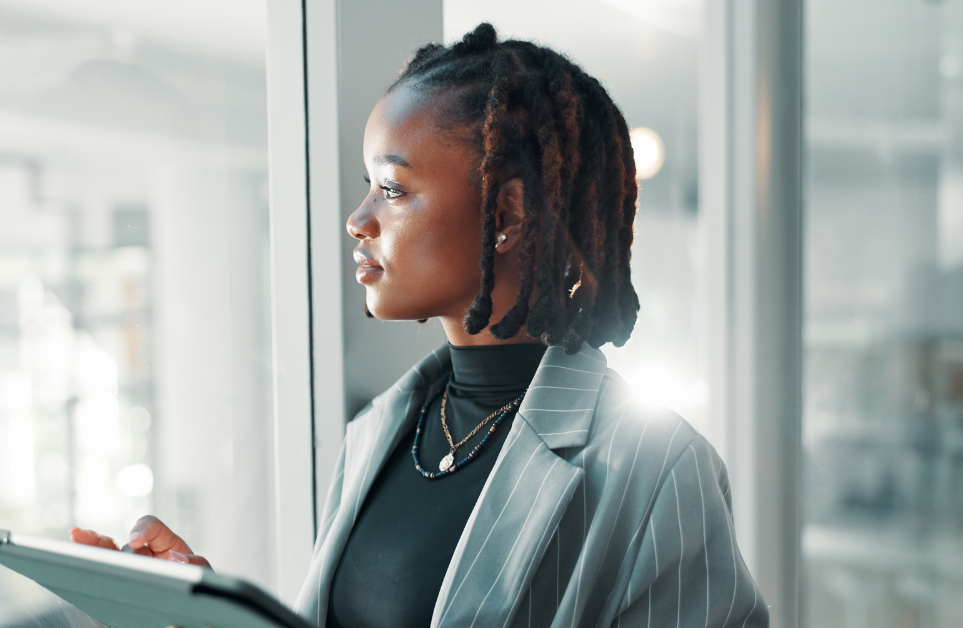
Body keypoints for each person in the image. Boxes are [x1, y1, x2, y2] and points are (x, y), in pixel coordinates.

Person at [71, 23, 768, 628]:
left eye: (394, 189)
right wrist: (202, 610)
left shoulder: (657, 468)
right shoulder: (377, 431)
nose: (358, 217)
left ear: (507, 214)